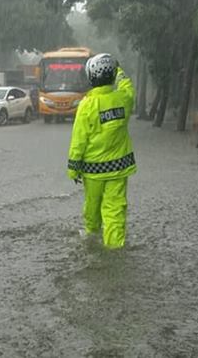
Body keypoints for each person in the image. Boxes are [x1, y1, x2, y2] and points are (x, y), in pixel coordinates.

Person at [67, 54, 136, 249]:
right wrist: (120, 69)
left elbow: (78, 140)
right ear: (113, 75)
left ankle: (91, 238)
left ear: (91, 77)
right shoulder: (124, 99)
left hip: (92, 172)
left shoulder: (86, 105)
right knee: (115, 210)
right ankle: (114, 248)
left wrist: (73, 168)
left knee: (92, 208)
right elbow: (128, 87)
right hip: (119, 169)